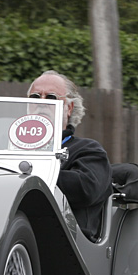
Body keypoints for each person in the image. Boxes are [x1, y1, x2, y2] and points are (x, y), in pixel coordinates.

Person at [27, 70, 112, 240]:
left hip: (65, 239)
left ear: (69, 108)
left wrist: (30, 175)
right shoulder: (5, 145)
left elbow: (87, 188)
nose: (42, 103)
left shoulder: (87, 149)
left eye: (51, 98)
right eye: (35, 97)